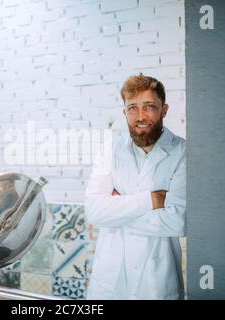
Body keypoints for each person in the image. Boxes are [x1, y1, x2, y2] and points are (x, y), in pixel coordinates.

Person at [85, 74, 186, 300]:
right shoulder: (110, 150)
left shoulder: (182, 152)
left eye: (149, 106)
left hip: (157, 281)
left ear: (164, 109)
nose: (140, 116)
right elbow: (94, 212)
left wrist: (116, 212)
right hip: (110, 283)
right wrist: (152, 200)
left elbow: (178, 221)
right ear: (124, 112)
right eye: (132, 108)